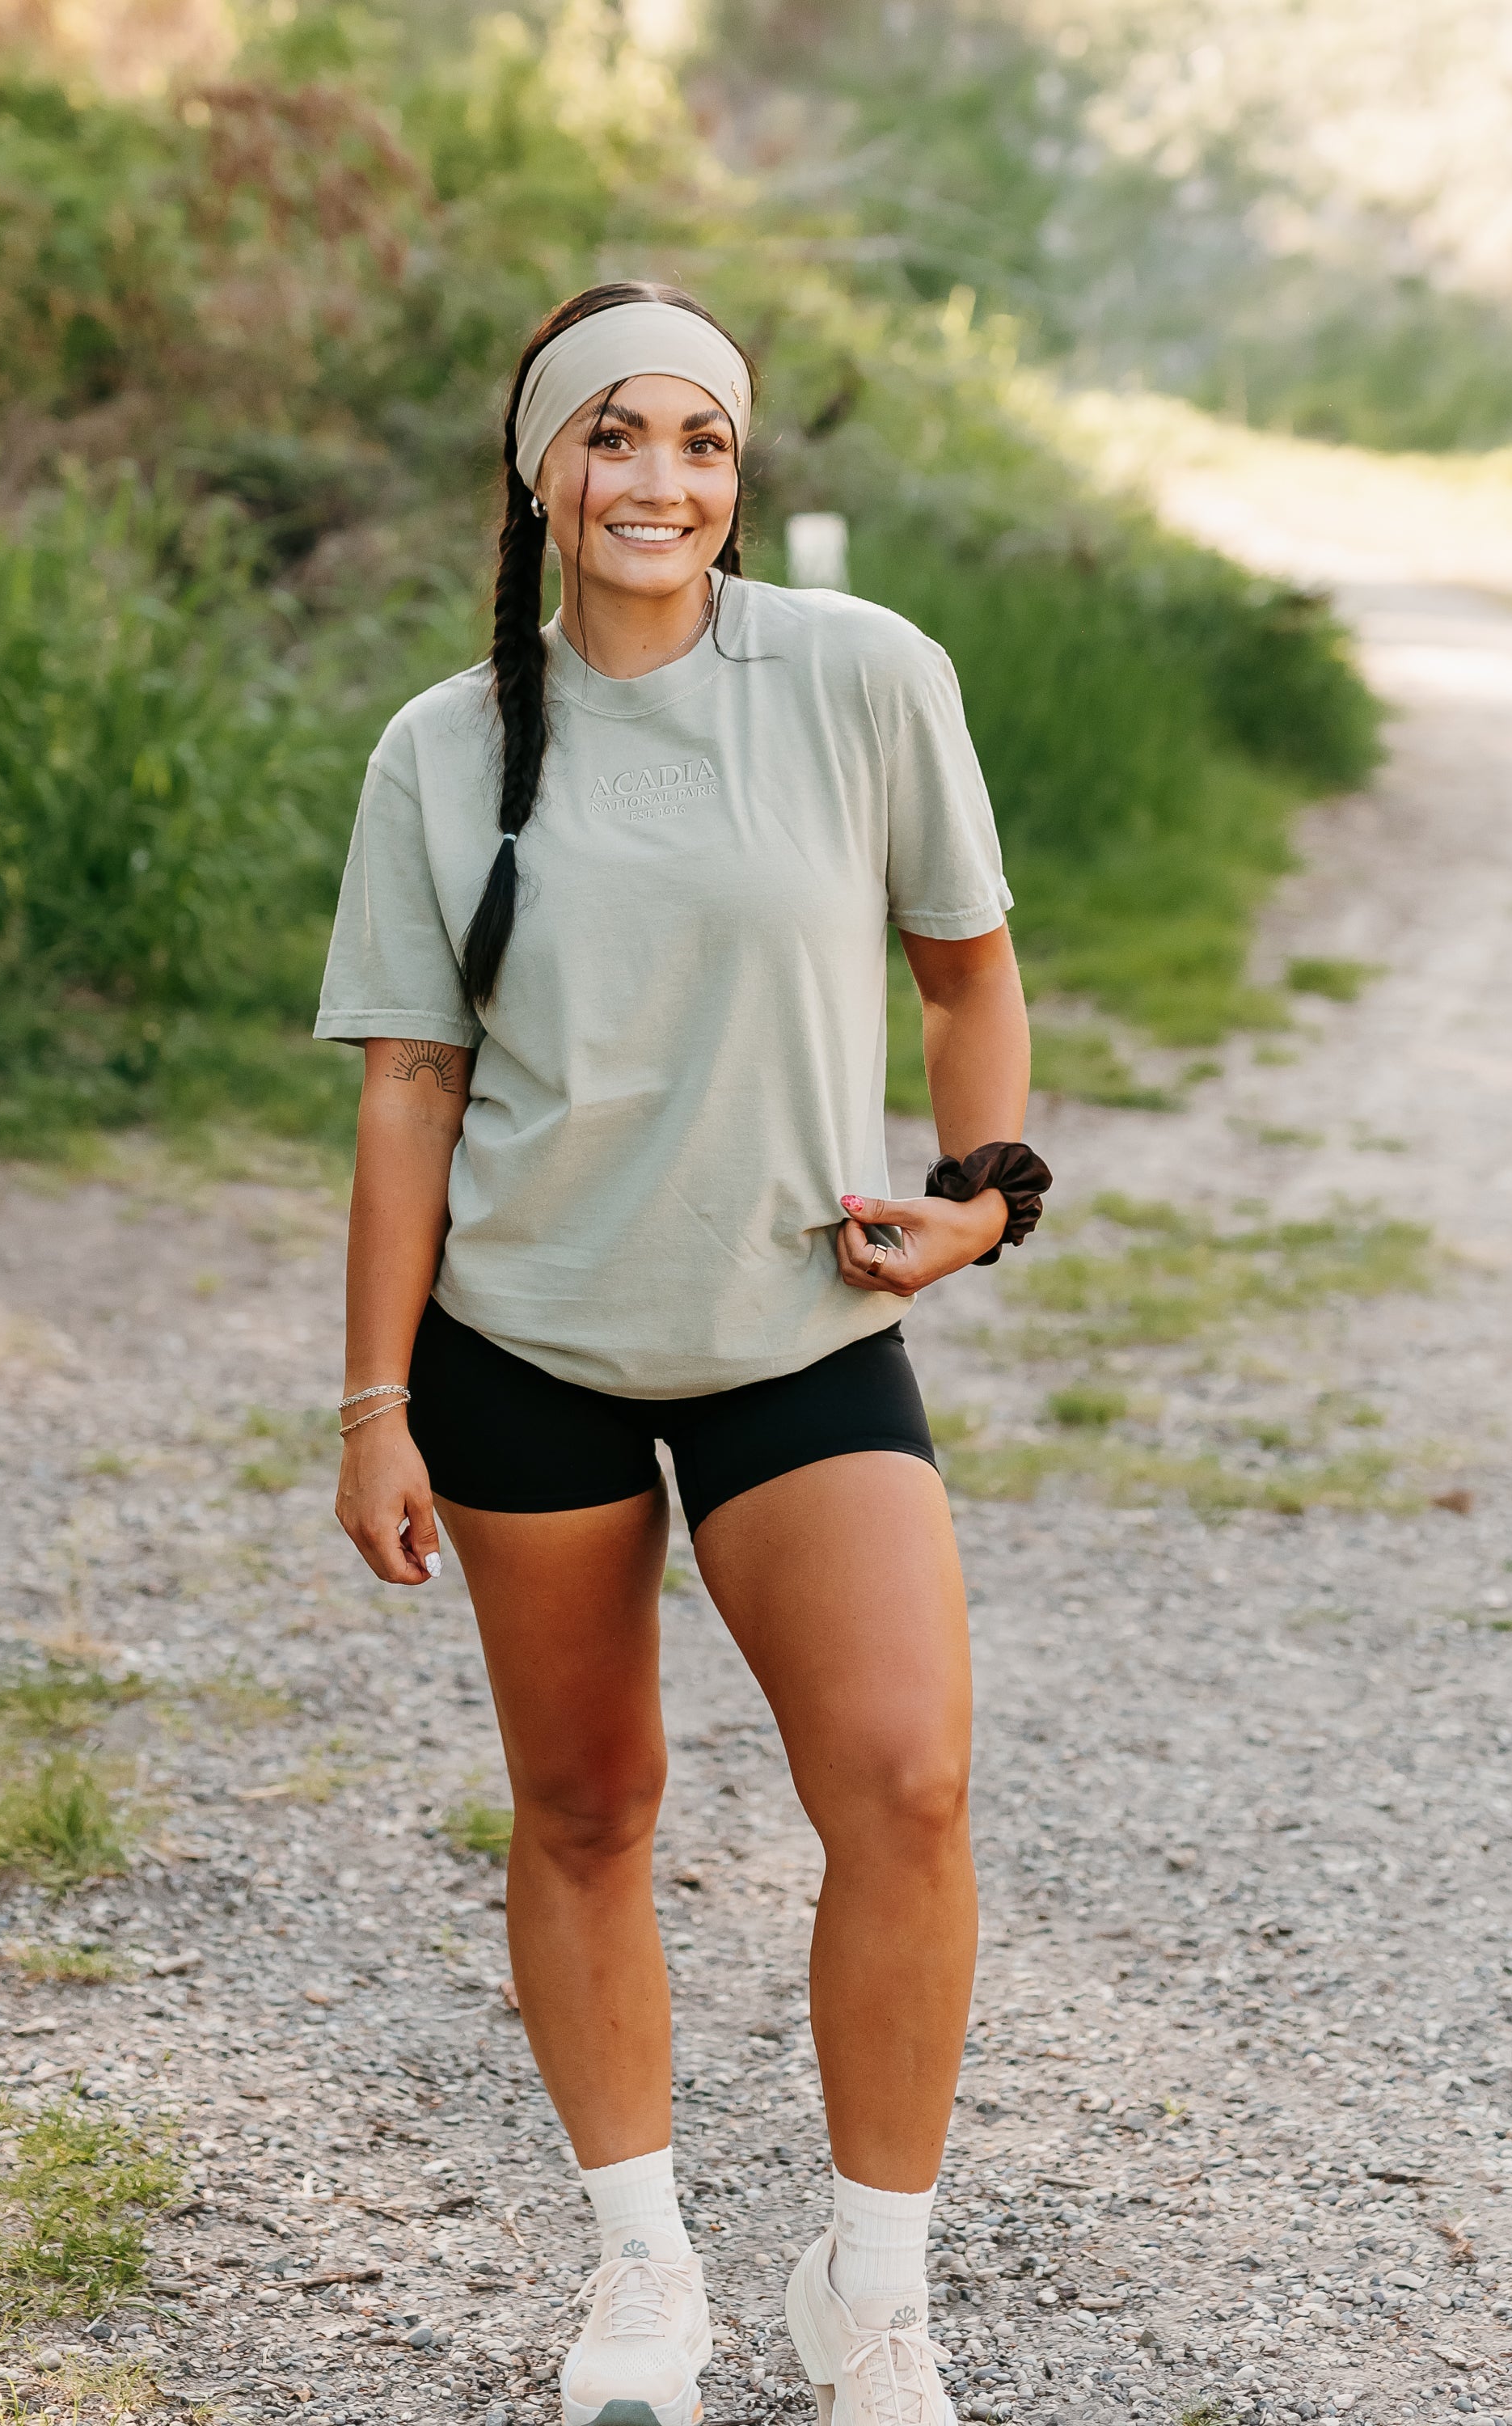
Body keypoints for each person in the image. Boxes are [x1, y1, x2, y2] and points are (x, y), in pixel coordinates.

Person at [315, 280, 1049, 2426]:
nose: (661, 482)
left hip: (793, 1325)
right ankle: (645, 2275)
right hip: (522, 1344)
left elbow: (972, 968)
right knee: (585, 1805)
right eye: (613, 438)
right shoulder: (445, 749)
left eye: (703, 444)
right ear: (542, 471)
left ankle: (871, 2293)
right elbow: (407, 1094)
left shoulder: (856, 677)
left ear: (740, 475)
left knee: (906, 1784)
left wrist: (985, 1188)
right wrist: (374, 1403)